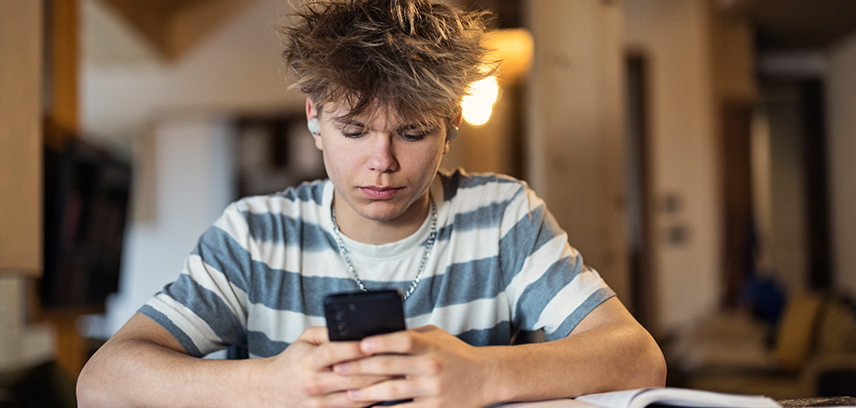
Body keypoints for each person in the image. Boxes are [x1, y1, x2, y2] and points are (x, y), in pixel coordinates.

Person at [76, 0, 666, 407]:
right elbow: (101, 383)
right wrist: (265, 387)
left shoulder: (502, 216)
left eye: (411, 134)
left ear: (450, 123)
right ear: (314, 117)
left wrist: (482, 376)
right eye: (354, 131)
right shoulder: (253, 235)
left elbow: (638, 359)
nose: (381, 161)